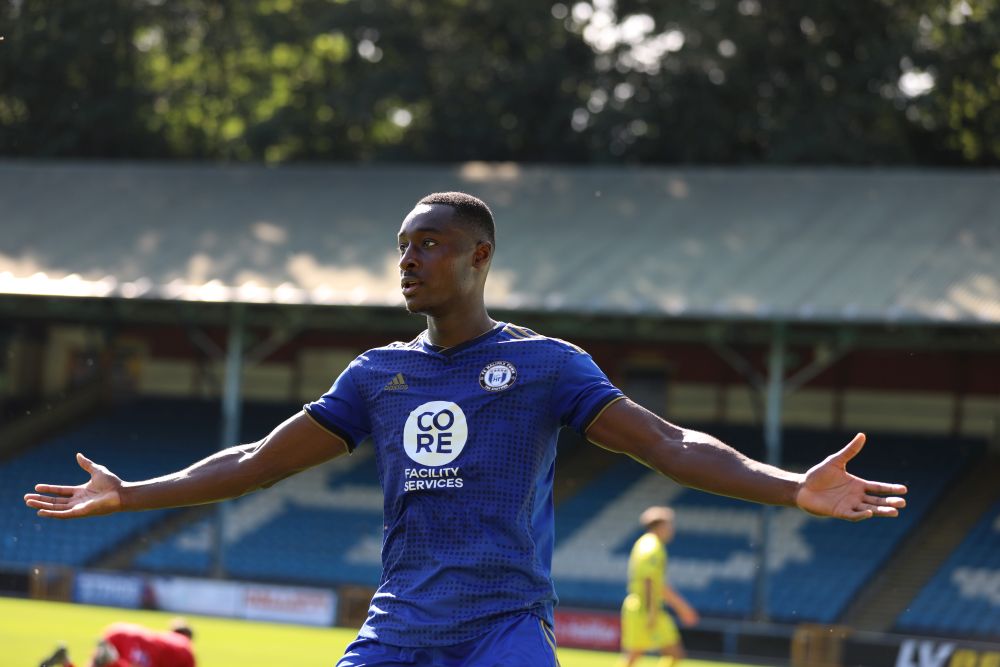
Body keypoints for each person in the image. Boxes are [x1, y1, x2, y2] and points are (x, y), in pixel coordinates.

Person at [25, 192, 908, 666]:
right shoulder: (376, 374)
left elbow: (669, 444)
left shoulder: (548, 365)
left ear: (480, 256)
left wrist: (791, 485)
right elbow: (257, 461)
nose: (410, 261)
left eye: (431, 245)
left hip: (504, 630)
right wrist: (133, 490)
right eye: (404, 247)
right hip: (397, 629)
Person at [619, 507, 697, 667]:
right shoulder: (651, 547)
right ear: (660, 526)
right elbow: (650, 581)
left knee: (673, 653)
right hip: (644, 609)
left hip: (648, 608)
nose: (672, 529)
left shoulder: (646, 544)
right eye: (669, 524)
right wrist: (652, 612)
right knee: (636, 655)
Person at [39, 619, 195, 667]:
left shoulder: (164, 636)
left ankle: (65, 661)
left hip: (117, 630)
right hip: (138, 642)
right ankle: (112, 660)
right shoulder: (185, 646)